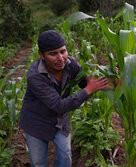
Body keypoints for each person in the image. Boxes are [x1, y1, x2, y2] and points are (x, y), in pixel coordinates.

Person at [18, 30, 109, 167]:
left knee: (66, 158)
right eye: (53, 54)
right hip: (36, 122)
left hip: (60, 121)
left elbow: (85, 82)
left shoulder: (70, 64)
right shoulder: (35, 76)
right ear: (41, 55)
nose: (60, 58)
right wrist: (89, 89)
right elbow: (59, 105)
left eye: (63, 51)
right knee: (38, 163)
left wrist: (108, 74)